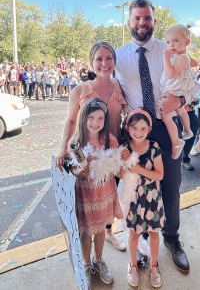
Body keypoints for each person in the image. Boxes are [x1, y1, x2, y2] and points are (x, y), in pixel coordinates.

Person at [115, 0, 196, 272]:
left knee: (171, 188)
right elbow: (111, 93)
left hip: (165, 127)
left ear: (154, 21)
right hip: (136, 134)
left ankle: (172, 239)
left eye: (146, 18)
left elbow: (194, 87)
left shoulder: (170, 50)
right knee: (137, 190)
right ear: (129, 22)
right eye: (137, 18)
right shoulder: (118, 56)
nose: (142, 23)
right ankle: (138, 243)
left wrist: (181, 100)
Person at [56, 41, 127, 252]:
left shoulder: (119, 87)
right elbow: (71, 121)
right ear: (91, 62)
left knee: (109, 194)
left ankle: (108, 231)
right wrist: (63, 148)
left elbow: (125, 116)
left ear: (114, 61)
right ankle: (88, 241)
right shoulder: (80, 90)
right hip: (88, 155)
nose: (104, 63)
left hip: (111, 154)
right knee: (89, 198)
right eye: (99, 58)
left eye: (109, 58)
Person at [69, 97, 123, 290]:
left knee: (100, 228)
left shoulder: (110, 140)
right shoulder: (76, 143)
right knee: (85, 230)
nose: (95, 122)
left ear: (105, 119)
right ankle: (86, 264)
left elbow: (118, 169)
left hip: (104, 192)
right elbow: (72, 168)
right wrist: (78, 171)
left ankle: (98, 260)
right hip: (85, 194)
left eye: (100, 118)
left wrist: (120, 159)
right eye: (91, 117)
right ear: (83, 118)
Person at [119, 108, 164, 288]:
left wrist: (138, 169)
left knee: (153, 232)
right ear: (128, 127)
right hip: (134, 199)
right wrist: (126, 162)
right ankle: (133, 265)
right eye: (134, 127)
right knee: (133, 233)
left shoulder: (154, 148)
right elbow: (122, 174)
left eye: (143, 128)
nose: (138, 132)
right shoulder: (125, 149)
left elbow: (159, 175)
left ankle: (154, 265)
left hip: (152, 198)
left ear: (149, 129)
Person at [160, 25, 195, 159]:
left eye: (175, 41)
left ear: (186, 42)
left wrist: (166, 58)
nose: (171, 45)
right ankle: (187, 130)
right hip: (176, 89)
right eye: (168, 42)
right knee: (180, 110)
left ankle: (176, 143)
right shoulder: (182, 56)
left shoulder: (180, 58)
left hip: (174, 89)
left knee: (166, 117)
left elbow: (171, 74)